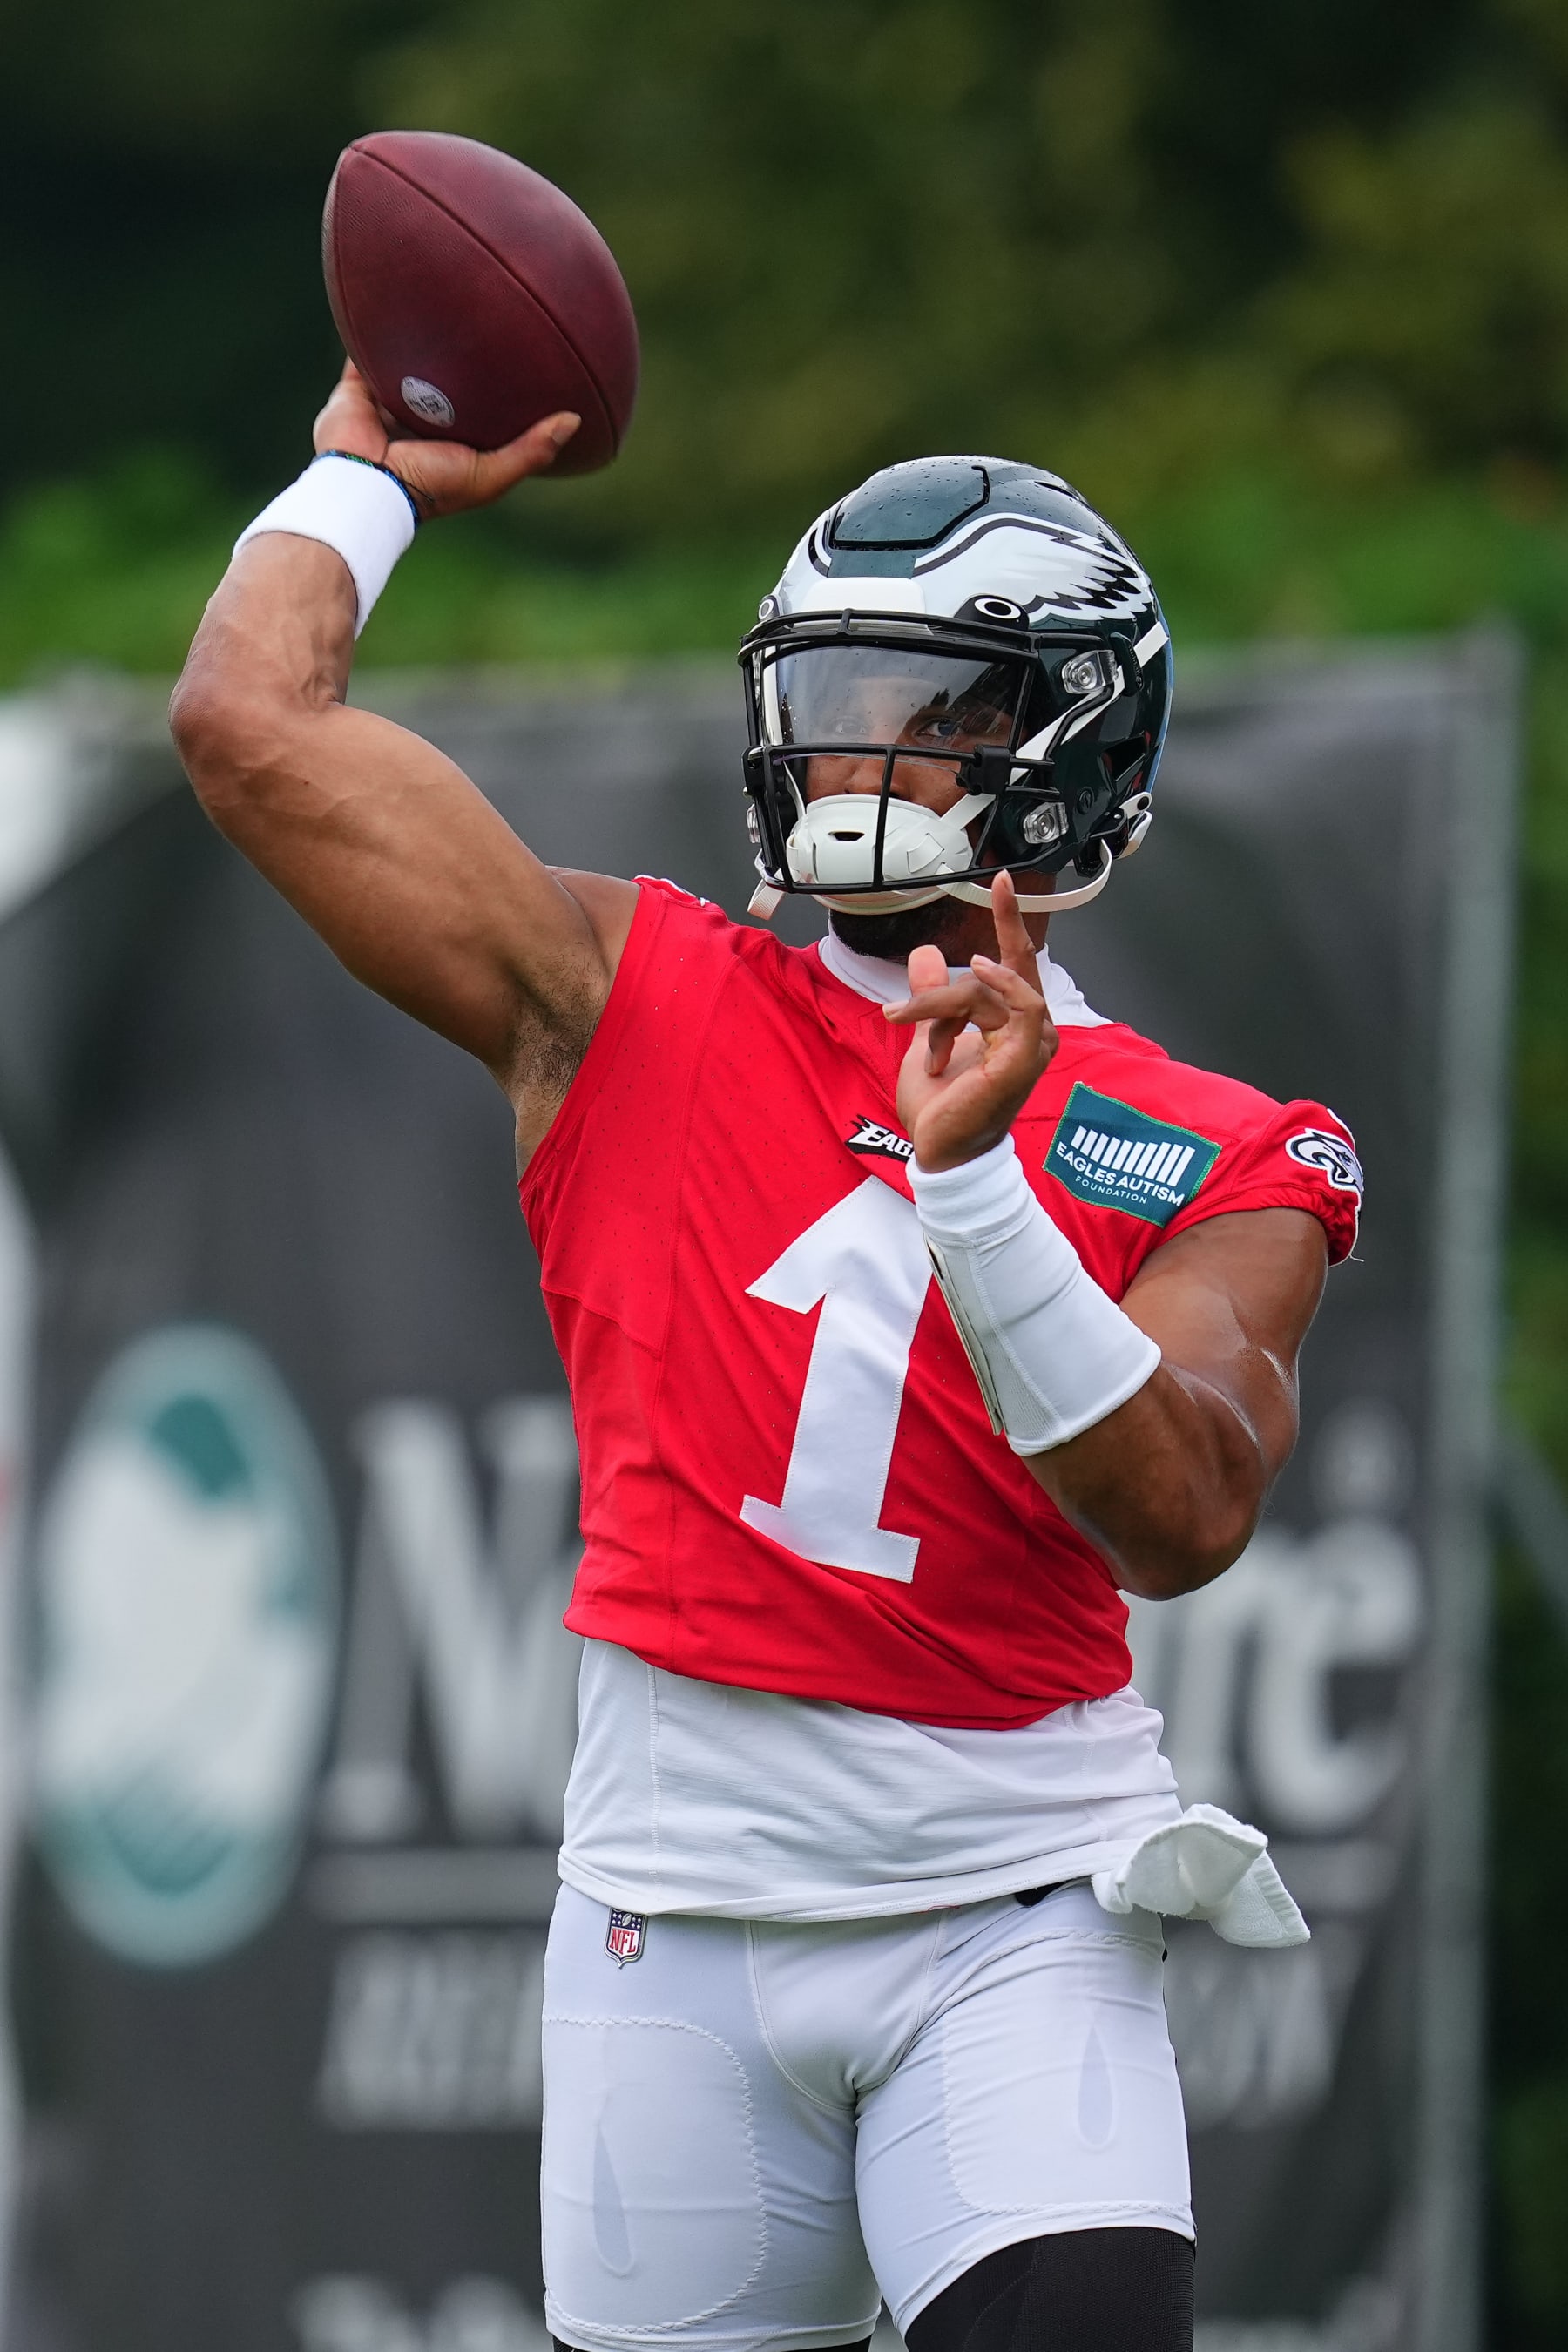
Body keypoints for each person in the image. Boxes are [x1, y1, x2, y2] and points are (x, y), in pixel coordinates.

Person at [171, 367, 1363, 2352]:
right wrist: (359, 474)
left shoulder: (1213, 1141)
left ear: (1074, 751)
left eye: (926, 712)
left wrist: (976, 1193)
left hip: (1015, 1919)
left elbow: (1183, 1513)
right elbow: (245, 727)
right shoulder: (615, 995)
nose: (850, 757)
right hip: (673, 1927)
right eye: (828, 695)